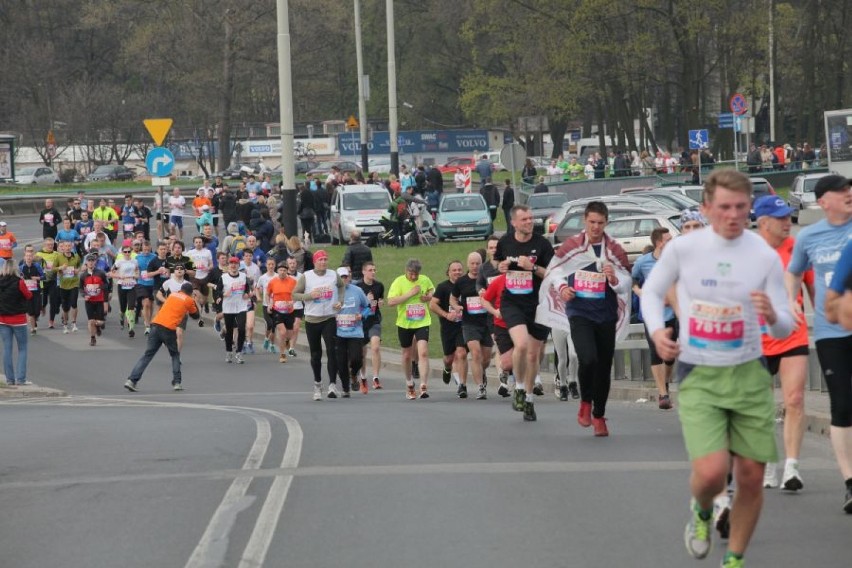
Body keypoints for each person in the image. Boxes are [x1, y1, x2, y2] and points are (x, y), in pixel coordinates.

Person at [641, 169, 796, 567]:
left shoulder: (762, 254)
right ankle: (702, 510)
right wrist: (658, 331)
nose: (732, 215)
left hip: (748, 371)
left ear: (750, 210)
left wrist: (771, 314)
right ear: (707, 208)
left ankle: (735, 560)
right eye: (724, 207)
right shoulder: (685, 249)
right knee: (711, 474)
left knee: (748, 477)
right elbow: (654, 292)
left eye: (741, 207)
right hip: (700, 370)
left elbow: (784, 322)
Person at [786, 174, 852, 513]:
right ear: (823, 200)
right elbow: (794, 272)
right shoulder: (809, 236)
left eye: (850, 190)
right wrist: (790, 305)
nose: (849, 195)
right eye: (841, 192)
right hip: (831, 333)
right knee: (842, 407)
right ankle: (850, 482)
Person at [548, 202, 632, 434]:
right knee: (588, 358)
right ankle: (586, 402)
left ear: (606, 223)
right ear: (585, 221)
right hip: (579, 311)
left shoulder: (614, 249)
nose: (596, 227)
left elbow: (627, 282)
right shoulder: (572, 245)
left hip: (605, 313)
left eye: (600, 223)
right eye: (592, 222)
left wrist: (615, 279)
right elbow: (555, 270)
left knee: (604, 366)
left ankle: (599, 415)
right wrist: (563, 287)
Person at [751, 195, 815, 491]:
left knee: (795, 399)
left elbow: (814, 290)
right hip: (757, 341)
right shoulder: (746, 253)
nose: (787, 222)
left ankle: (792, 466)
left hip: (793, 335)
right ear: (763, 222)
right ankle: (768, 463)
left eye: (788, 216)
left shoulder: (797, 249)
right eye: (780, 218)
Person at [494, 204, 555, 421]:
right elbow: (496, 262)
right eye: (524, 219)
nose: (529, 222)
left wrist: (533, 268)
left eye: (531, 219)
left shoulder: (542, 244)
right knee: (520, 345)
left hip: (538, 305)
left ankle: (529, 399)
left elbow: (552, 274)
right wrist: (500, 266)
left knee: (532, 355)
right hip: (512, 303)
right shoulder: (505, 242)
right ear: (513, 223)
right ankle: (519, 387)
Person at [632, 227, 677, 409]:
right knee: (656, 352)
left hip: (672, 313)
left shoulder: (676, 261)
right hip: (652, 314)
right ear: (659, 242)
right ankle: (662, 394)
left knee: (669, 356)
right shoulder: (643, 262)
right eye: (668, 239)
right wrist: (639, 291)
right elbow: (632, 279)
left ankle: (664, 383)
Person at [124, 281, 199, 392]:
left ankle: (131, 380)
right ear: (190, 293)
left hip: (155, 325)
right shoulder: (188, 300)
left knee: (147, 355)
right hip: (169, 329)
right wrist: (195, 301)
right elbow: (195, 315)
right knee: (175, 355)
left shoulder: (172, 295)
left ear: (180, 289)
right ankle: (177, 382)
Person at [292, 250, 345, 400]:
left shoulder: (333, 274)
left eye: (325, 259)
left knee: (331, 351)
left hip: (329, 317)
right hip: (312, 319)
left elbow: (341, 287)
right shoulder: (306, 276)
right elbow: (294, 294)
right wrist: (309, 296)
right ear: (315, 262)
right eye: (320, 259)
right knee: (316, 354)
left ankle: (332, 385)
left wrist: (340, 301)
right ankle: (317, 383)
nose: (323, 262)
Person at [388, 258, 435, 400]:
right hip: (404, 323)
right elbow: (391, 302)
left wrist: (428, 297)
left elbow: (432, 290)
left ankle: (423, 385)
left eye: (416, 274)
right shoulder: (399, 282)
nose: (414, 277)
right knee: (407, 355)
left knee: (424, 352)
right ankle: (409, 383)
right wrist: (410, 294)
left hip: (422, 321)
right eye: (411, 274)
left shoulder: (425, 279)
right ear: (406, 271)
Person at [430, 260, 468, 395]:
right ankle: (447, 369)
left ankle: (462, 386)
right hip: (448, 327)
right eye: (454, 270)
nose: (457, 272)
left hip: (463, 326)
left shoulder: (466, 284)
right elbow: (432, 305)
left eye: (459, 269)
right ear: (449, 273)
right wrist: (446, 315)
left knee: (461, 353)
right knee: (449, 358)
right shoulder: (443, 287)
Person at [334, 266, 372, 395]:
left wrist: (362, 315)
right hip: (338, 332)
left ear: (349, 277)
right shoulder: (332, 292)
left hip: (355, 331)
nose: (344, 279)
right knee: (342, 362)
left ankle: (354, 374)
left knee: (357, 359)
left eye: (346, 277)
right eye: (341, 277)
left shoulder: (357, 291)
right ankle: (346, 389)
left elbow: (368, 307)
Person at [0, 259, 33, 386]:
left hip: (2, 319)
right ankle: (21, 379)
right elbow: (29, 295)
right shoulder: (19, 282)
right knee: (22, 348)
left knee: (7, 349)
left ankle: (9, 379)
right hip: (18, 319)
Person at [216, 256, 252, 364]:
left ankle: (239, 352)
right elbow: (218, 291)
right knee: (229, 330)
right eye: (231, 263)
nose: (233, 265)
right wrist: (222, 295)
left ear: (238, 265)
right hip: (228, 307)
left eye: (235, 263)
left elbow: (247, 288)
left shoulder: (243, 276)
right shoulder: (224, 277)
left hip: (241, 306)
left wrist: (246, 294)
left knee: (241, 329)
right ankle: (228, 351)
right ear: (228, 266)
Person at [357, 261, 384, 389]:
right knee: (362, 352)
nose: (373, 272)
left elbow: (379, 301)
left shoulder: (379, 286)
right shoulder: (358, 287)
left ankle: (376, 377)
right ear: (363, 272)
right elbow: (355, 306)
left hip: (374, 320)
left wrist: (379, 302)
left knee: (375, 347)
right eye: (370, 270)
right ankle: (363, 377)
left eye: (374, 270)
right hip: (361, 322)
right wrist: (366, 301)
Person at [111, 243, 140, 338]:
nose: (127, 253)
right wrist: (120, 276)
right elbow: (112, 273)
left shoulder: (134, 261)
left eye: (129, 251)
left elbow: (137, 271)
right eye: (125, 252)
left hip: (132, 285)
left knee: (131, 307)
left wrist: (136, 276)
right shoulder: (119, 262)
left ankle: (131, 328)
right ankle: (122, 316)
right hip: (122, 285)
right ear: (122, 253)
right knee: (123, 307)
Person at [80, 253, 110, 346]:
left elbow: (106, 285)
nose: (91, 263)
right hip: (89, 301)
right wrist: (84, 295)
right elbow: (80, 288)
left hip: (99, 300)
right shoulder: (83, 275)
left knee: (100, 321)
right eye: (89, 261)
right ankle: (93, 338)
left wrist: (100, 287)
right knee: (91, 321)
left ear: (95, 262)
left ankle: (98, 326)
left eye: (92, 261)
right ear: (86, 263)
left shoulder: (101, 273)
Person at [55, 240, 82, 333]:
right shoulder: (59, 257)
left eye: (69, 246)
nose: (67, 248)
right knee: (65, 307)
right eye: (65, 246)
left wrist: (78, 270)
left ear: (71, 247)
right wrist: (60, 268)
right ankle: (65, 324)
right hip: (63, 285)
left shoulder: (76, 256)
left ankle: (74, 323)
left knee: (74, 303)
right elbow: (53, 268)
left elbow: (80, 265)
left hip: (74, 283)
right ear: (63, 247)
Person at [36, 238, 61, 329]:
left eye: (51, 244)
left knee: (53, 302)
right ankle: (42, 308)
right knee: (43, 301)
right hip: (42, 282)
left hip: (52, 281)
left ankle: (51, 321)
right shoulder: (38, 254)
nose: (50, 246)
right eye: (48, 244)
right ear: (44, 245)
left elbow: (61, 264)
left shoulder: (57, 254)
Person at [18, 247, 43, 335]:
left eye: (30, 256)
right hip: (26, 292)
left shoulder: (37, 266)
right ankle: (33, 328)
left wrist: (37, 278)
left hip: (36, 291)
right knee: (30, 311)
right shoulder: (21, 267)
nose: (28, 257)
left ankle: (35, 319)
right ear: (24, 257)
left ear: (33, 258)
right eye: (27, 256)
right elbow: (17, 279)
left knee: (37, 310)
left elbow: (44, 277)